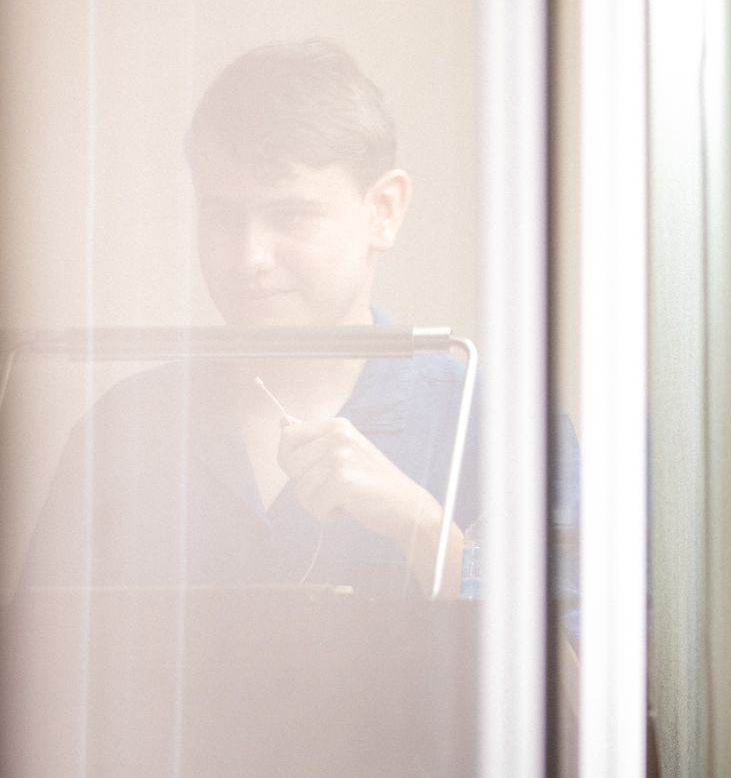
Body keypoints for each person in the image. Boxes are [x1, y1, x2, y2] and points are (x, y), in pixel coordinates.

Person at [24, 40, 477, 596]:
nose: (248, 259)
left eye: (291, 216)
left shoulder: (490, 427)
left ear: (383, 211)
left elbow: (569, 654)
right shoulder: (119, 432)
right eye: (221, 218)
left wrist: (424, 528)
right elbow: (33, 650)